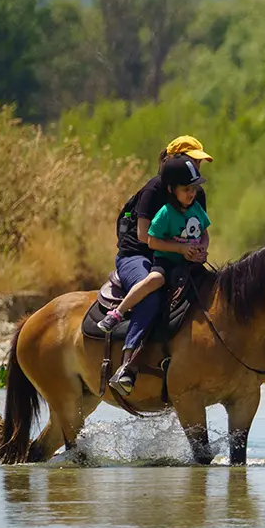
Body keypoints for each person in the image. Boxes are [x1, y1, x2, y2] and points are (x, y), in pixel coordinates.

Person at [103, 140, 213, 393]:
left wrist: (199, 251)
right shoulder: (153, 190)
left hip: (176, 255)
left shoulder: (195, 192)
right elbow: (145, 237)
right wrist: (182, 249)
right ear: (174, 162)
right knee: (152, 297)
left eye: (199, 162)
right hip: (138, 255)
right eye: (192, 159)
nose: (197, 166)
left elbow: (197, 230)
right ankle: (128, 365)